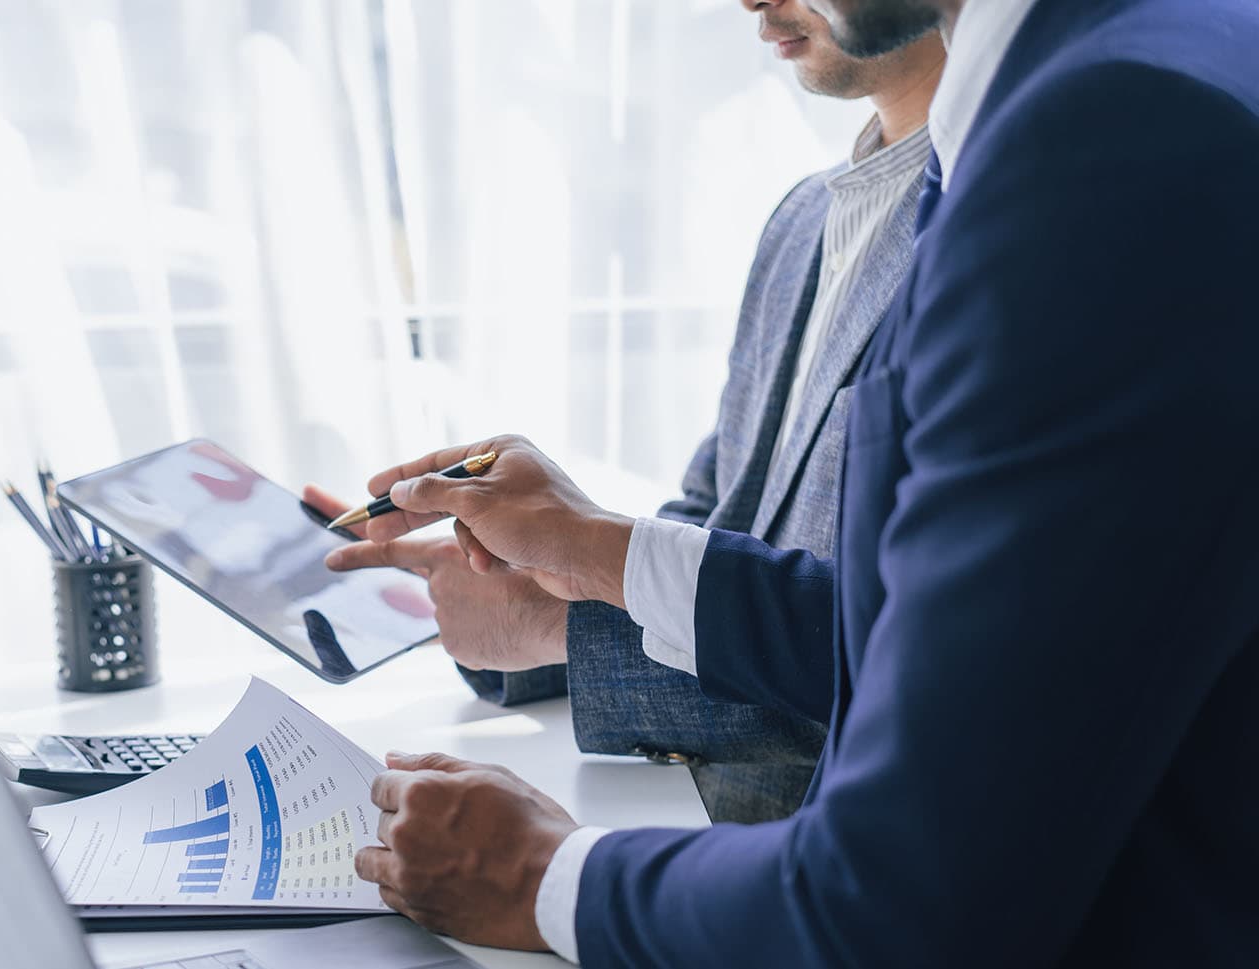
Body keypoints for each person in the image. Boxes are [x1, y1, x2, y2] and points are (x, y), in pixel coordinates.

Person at [331, 0, 1259, 964]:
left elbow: (903, 893)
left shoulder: (1106, 140)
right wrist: (593, 555)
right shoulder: (1093, 90)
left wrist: (541, 876)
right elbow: (913, 617)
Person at [307, 0, 946, 824]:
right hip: (688, 826)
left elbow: (902, 660)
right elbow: (715, 522)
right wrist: (529, 579)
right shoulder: (803, 220)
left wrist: (560, 624)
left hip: (823, 869)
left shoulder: (1000, 236)